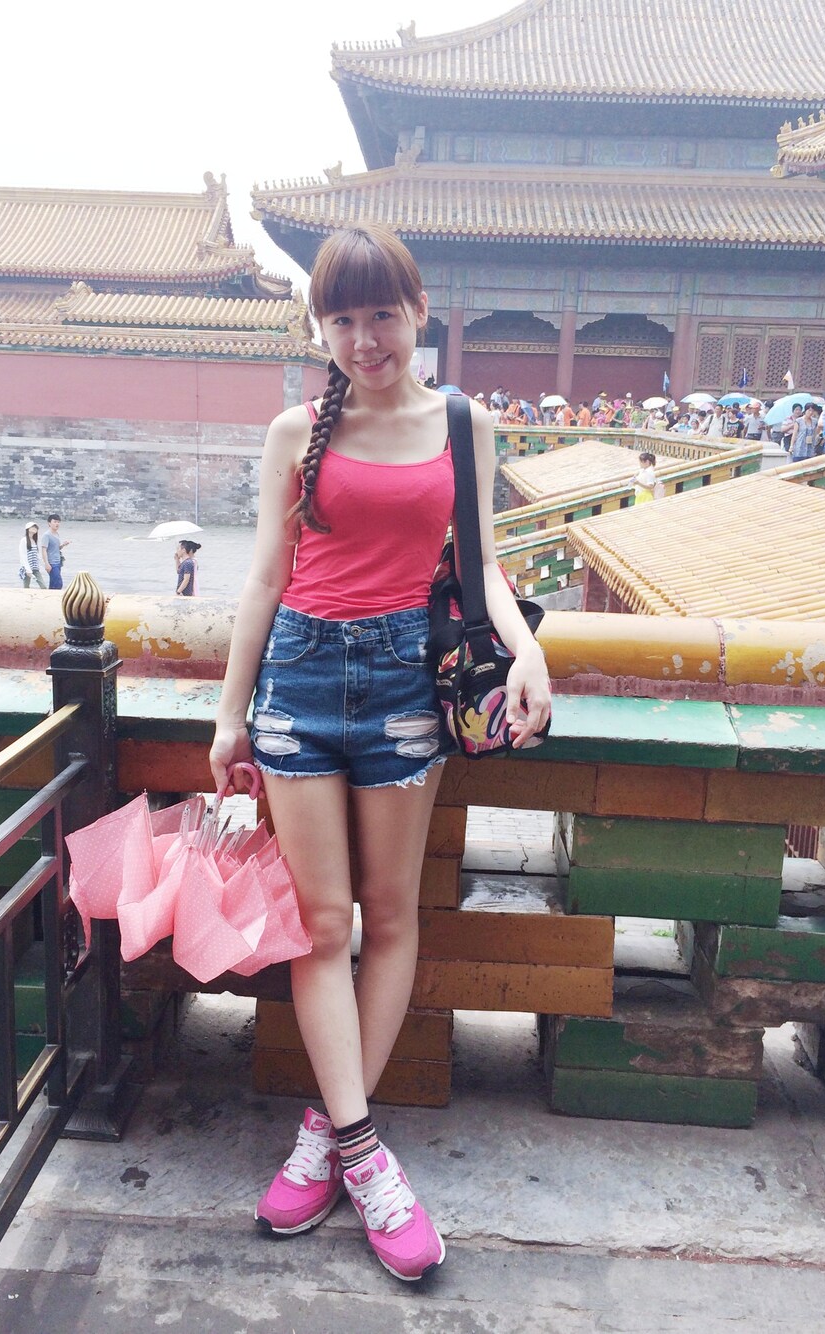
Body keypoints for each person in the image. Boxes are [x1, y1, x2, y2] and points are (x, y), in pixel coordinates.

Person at [207, 223, 551, 1283]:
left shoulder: (463, 423)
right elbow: (264, 578)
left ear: (419, 313)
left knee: (390, 915)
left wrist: (530, 649)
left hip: (407, 683)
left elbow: (479, 568)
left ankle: (327, 1132)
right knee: (322, 925)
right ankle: (364, 1153)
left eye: (383, 316)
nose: (365, 339)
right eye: (343, 319)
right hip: (301, 683)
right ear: (320, 328)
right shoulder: (294, 432)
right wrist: (228, 717)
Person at [40, 514, 69, 590]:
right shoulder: (46, 535)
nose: (57, 524)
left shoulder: (56, 534)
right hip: (51, 563)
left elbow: (56, 548)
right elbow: (44, 550)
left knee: (54, 583)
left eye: (58, 522)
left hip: (58, 562)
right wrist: (46, 564)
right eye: (55, 522)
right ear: (49, 523)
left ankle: (50, 596)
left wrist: (63, 545)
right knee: (58, 583)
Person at [17, 520, 47, 589]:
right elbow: (23, 556)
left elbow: (36, 555)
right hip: (27, 568)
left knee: (43, 586)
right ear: (28, 529)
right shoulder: (24, 540)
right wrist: (27, 569)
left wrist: (44, 564)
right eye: (32, 527)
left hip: (35, 567)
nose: (34, 528)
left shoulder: (34, 540)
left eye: (36, 527)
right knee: (26, 586)